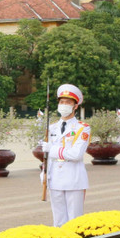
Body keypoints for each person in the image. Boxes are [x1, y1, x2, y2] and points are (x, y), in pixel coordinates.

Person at [43, 84, 91, 227]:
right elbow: (47, 156)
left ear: (75, 106)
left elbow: (76, 154)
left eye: (68, 102)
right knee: (58, 220)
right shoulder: (51, 128)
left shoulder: (82, 128)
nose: (64, 105)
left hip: (73, 179)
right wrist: (44, 173)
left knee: (75, 221)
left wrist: (52, 149)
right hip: (55, 178)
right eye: (61, 102)